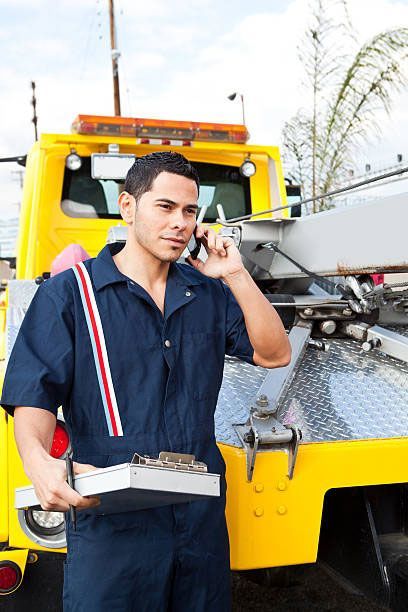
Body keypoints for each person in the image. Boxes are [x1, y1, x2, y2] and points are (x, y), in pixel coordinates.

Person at [1, 151, 291, 612]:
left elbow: (276, 353)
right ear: (128, 206)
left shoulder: (208, 294)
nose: (180, 222)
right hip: (112, 521)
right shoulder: (70, 295)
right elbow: (32, 395)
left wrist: (235, 274)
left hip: (198, 517)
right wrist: (37, 461)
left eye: (190, 211)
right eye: (165, 206)